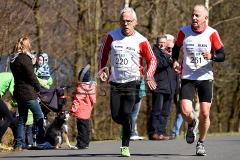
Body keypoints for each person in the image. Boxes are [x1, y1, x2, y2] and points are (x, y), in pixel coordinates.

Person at [98, 7, 157, 157]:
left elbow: (152, 60)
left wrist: (149, 76)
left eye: (129, 21)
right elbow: (103, 54)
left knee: (126, 113)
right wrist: (102, 70)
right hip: (116, 82)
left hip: (133, 81)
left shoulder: (141, 40)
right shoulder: (112, 37)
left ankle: (125, 146)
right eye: (123, 21)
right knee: (116, 116)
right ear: (120, 22)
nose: (126, 24)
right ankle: (128, 127)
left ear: (135, 22)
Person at [172, 4, 225, 156]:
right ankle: (191, 123)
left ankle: (201, 143)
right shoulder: (183, 32)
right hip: (188, 77)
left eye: (197, 16)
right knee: (185, 111)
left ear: (205, 18)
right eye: (193, 15)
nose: (194, 18)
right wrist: (175, 61)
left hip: (205, 78)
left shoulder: (212, 33)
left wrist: (212, 56)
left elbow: (222, 54)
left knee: (205, 113)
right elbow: (175, 49)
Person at [10, 37, 45, 151]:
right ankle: (41, 142)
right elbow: (31, 76)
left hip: (19, 93)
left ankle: (19, 144)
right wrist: (39, 88)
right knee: (39, 116)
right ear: (26, 45)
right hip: (28, 93)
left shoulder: (13, 60)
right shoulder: (25, 59)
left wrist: (32, 64)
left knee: (22, 118)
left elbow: (22, 75)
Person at [149, 35, 176, 140]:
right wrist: (169, 58)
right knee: (157, 111)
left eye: (164, 42)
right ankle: (154, 132)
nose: (162, 44)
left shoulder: (168, 53)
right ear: (157, 42)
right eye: (160, 42)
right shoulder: (154, 53)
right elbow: (158, 64)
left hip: (169, 88)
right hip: (159, 86)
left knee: (166, 112)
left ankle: (162, 132)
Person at [70, 67, 96, 149]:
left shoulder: (81, 88)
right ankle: (86, 143)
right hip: (88, 111)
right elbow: (93, 100)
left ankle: (81, 144)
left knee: (81, 129)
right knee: (86, 128)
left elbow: (77, 100)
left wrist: (72, 110)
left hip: (81, 112)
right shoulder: (92, 87)